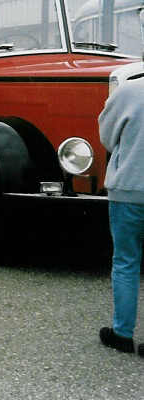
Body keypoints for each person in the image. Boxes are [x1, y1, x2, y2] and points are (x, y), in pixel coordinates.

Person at [97, 75, 144, 357]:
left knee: (126, 262)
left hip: (128, 189)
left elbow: (106, 136)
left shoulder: (127, 91)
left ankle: (122, 334)